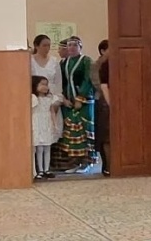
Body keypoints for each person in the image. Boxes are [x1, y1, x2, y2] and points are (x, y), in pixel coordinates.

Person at [58, 36, 95, 173]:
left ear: (80, 47)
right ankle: (74, 163)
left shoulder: (86, 61)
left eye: (75, 45)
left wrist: (80, 98)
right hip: (69, 103)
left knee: (84, 130)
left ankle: (87, 162)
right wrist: (64, 99)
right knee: (72, 132)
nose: (72, 48)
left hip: (84, 102)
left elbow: (88, 80)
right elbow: (62, 82)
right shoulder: (64, 63)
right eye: (69, 45)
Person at [31, 76, 62, 180]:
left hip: (47, 123)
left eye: (46, 84)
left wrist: (55, 124)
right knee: (39, 147)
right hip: (37, 123)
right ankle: (40, 170)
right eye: (42, 84)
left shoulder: (49, 99)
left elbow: (52, 112)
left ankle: (46, 169)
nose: (45, 87)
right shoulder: (33, 98)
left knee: (47, 146)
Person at [95, 40, 111, 176]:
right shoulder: (101, 65)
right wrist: (110, 102)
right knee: (106, 136)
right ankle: (107, 165)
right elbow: (101, 85)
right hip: (104, 102)